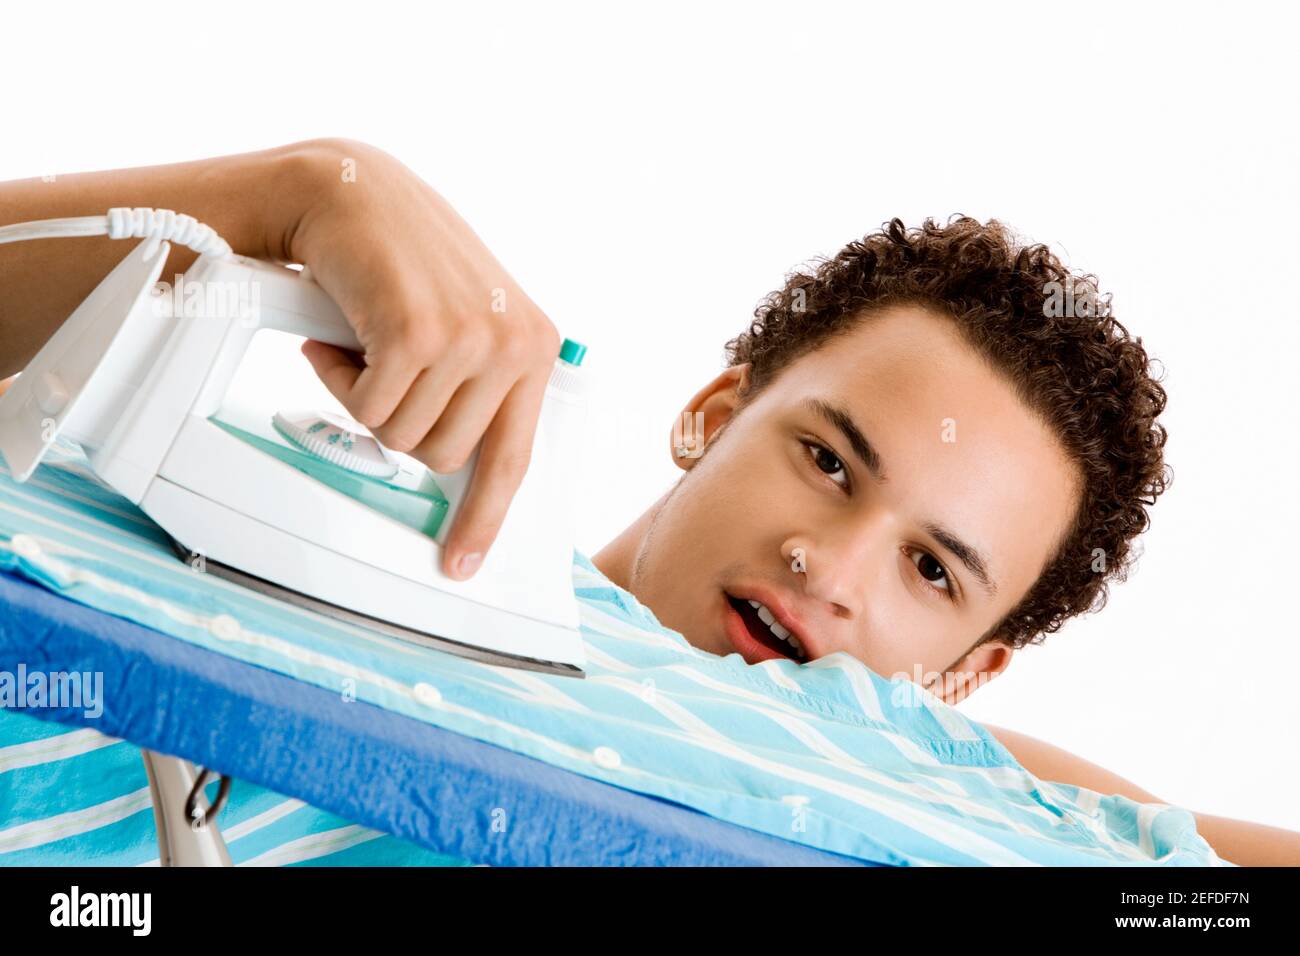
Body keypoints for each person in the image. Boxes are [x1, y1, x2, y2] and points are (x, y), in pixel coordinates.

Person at [2, 139, 1296, 865]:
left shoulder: (903, 793)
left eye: (933, 574)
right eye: (830, 462)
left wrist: (938, 753)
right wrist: (292, 196)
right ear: (713, 417)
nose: (828, 564)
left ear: (969, 678)